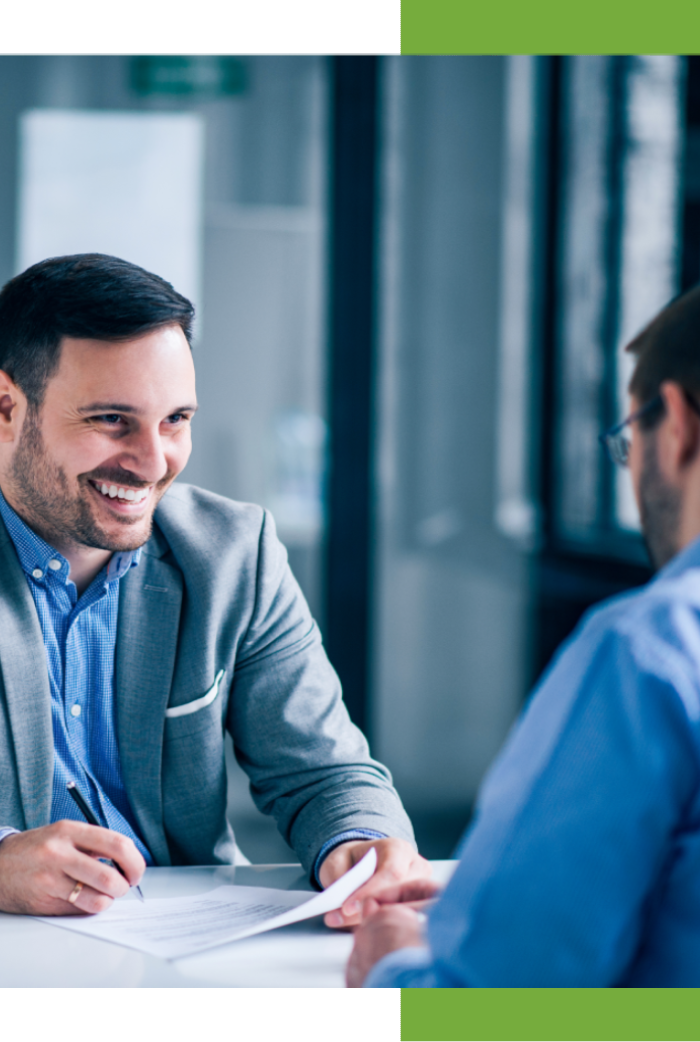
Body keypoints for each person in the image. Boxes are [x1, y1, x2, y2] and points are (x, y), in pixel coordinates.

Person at [347, 256, 700, 989]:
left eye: (629, 439)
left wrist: (395, 965)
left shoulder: (661, 649)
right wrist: (502, 901)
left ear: (680, 425)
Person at [0, 253, 427, 919]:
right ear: (5, 408)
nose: (151, 461)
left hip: (188, 951)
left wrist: (362, 842)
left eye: (175, 420)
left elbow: (323, 771)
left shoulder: (232, 553)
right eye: (111, 420)